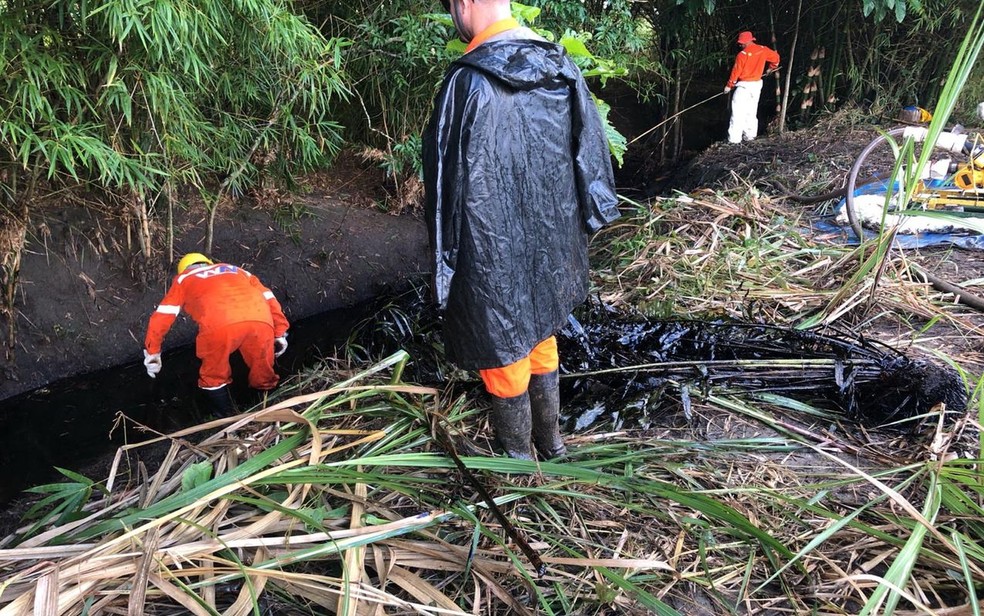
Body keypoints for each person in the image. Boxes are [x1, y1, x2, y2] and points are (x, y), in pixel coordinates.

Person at [423, 0, 620, 460]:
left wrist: (445, 265)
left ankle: (519, 462)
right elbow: (591, 155)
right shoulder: (560, 66)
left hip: (490, 247)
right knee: (542, 332)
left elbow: (443, 186)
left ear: (466, 3)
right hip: (554, 240)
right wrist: (590, 222)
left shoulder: (466, 83)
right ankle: (552, 445)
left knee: (503, 347)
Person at [142, 253, 290, 415]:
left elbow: (163, 316)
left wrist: (153, 351)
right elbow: (269, 298)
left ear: (183, 269)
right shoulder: (239, 271)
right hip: (260, 319)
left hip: (219, 326)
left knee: (213, 375)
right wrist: (280, 332)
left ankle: (227, 418)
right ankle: (270, 409)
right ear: (209, 263)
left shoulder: (183, 279)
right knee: (263, 366)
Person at [724, 31, 780, 144]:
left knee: (738, 113)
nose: (740, 46)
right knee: (751, 111)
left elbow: (736, 72)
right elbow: (776, 58)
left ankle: (734, 140)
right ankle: (750, 137)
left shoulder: (742, 55)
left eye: (741, 44)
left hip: (743, 87)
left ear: (745, 43)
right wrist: (771, 68)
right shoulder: (763, 49)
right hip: (756, 86)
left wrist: (729, 86)